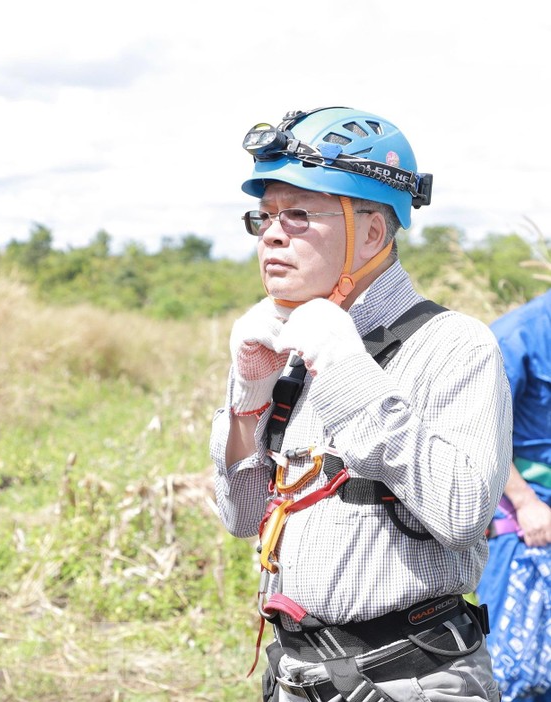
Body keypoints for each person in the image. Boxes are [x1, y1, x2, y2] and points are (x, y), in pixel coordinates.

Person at [209, 106, 513, 702]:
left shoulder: (456, 345)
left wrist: (348, 372)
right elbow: (243, 517)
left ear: (372, 232)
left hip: (413, 680)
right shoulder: (290, 346)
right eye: (265, 215)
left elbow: (462, 512)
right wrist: (246, 401)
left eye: (298, 214)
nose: (272, 233)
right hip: (298, 675)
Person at [476, 289, 551, 702]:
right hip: (524, 527)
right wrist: (525, 502)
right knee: (514, 670)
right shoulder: (514, 336)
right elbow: (483, 431)